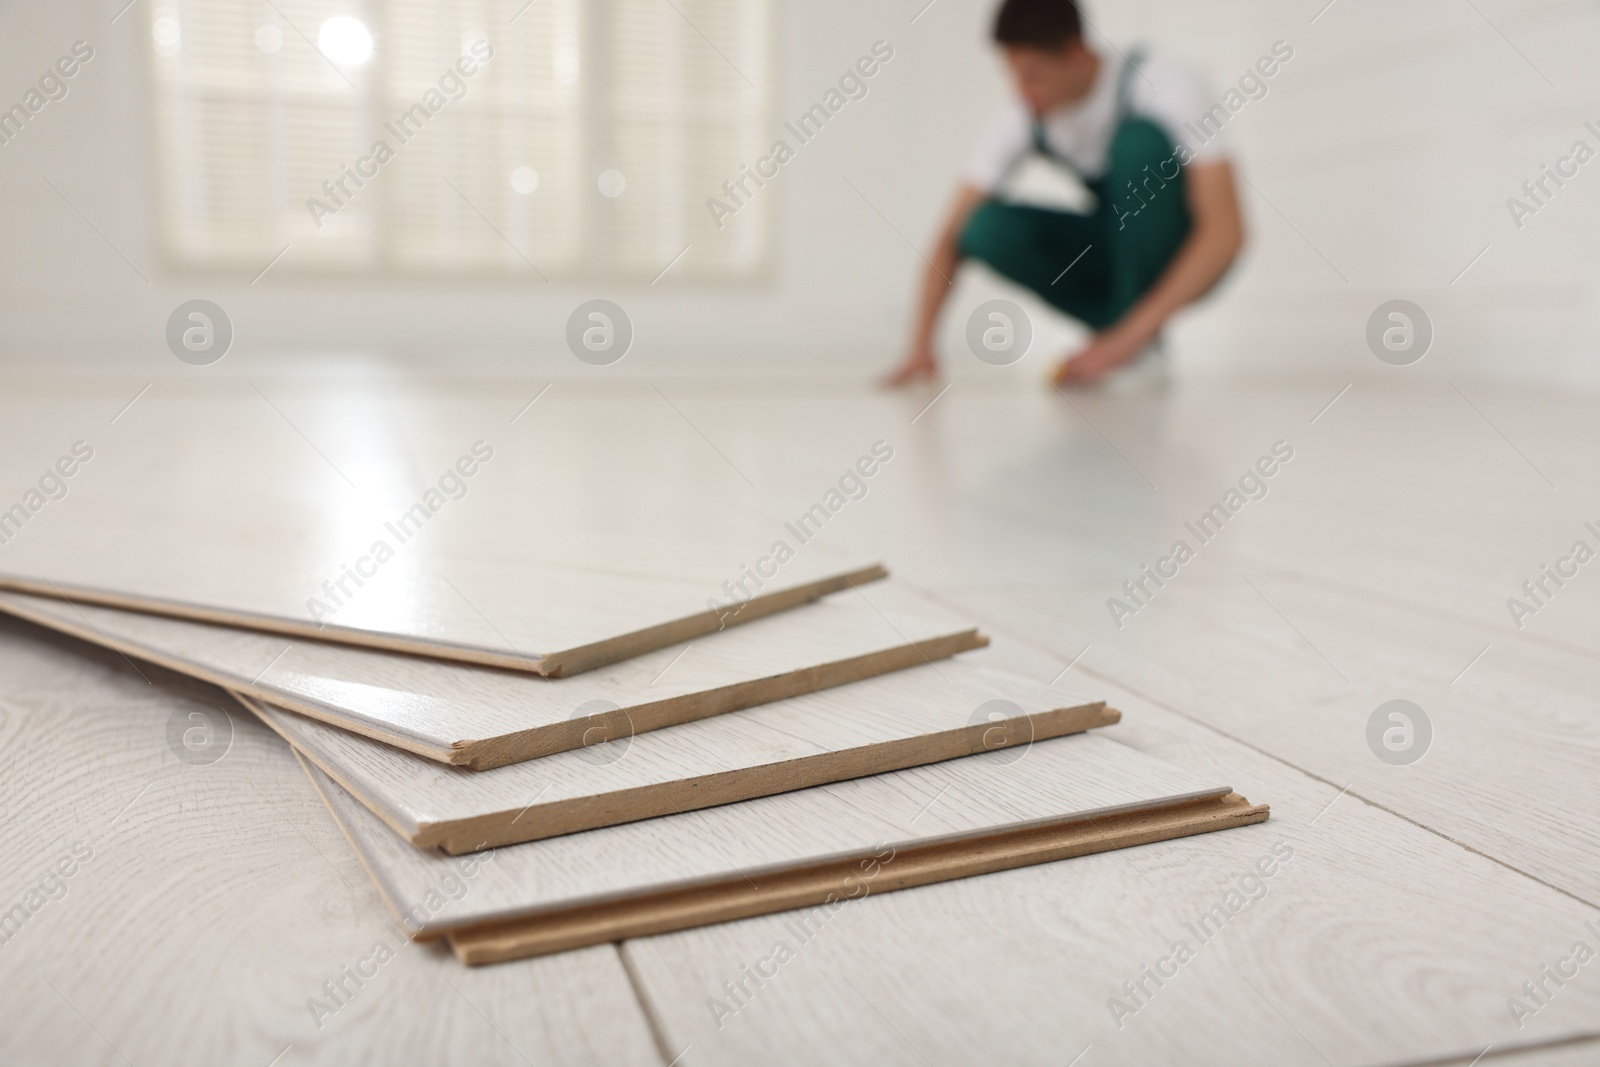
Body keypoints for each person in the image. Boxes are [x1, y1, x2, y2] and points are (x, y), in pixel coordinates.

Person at [884, 0, 1244, 388]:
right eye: (1013, 76)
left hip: (1178, 253)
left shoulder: (1167, 85)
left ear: (1076, 53)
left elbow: (1226, 231)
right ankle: (1127, 340)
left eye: (1034, 76)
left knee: (1138, 147)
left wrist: (1124, 340)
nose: (1022, 92)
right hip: (1111, 254)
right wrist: (920, 347)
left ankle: (1132, 341)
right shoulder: (1022, 116)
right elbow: (950, 236)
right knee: (983, 227)